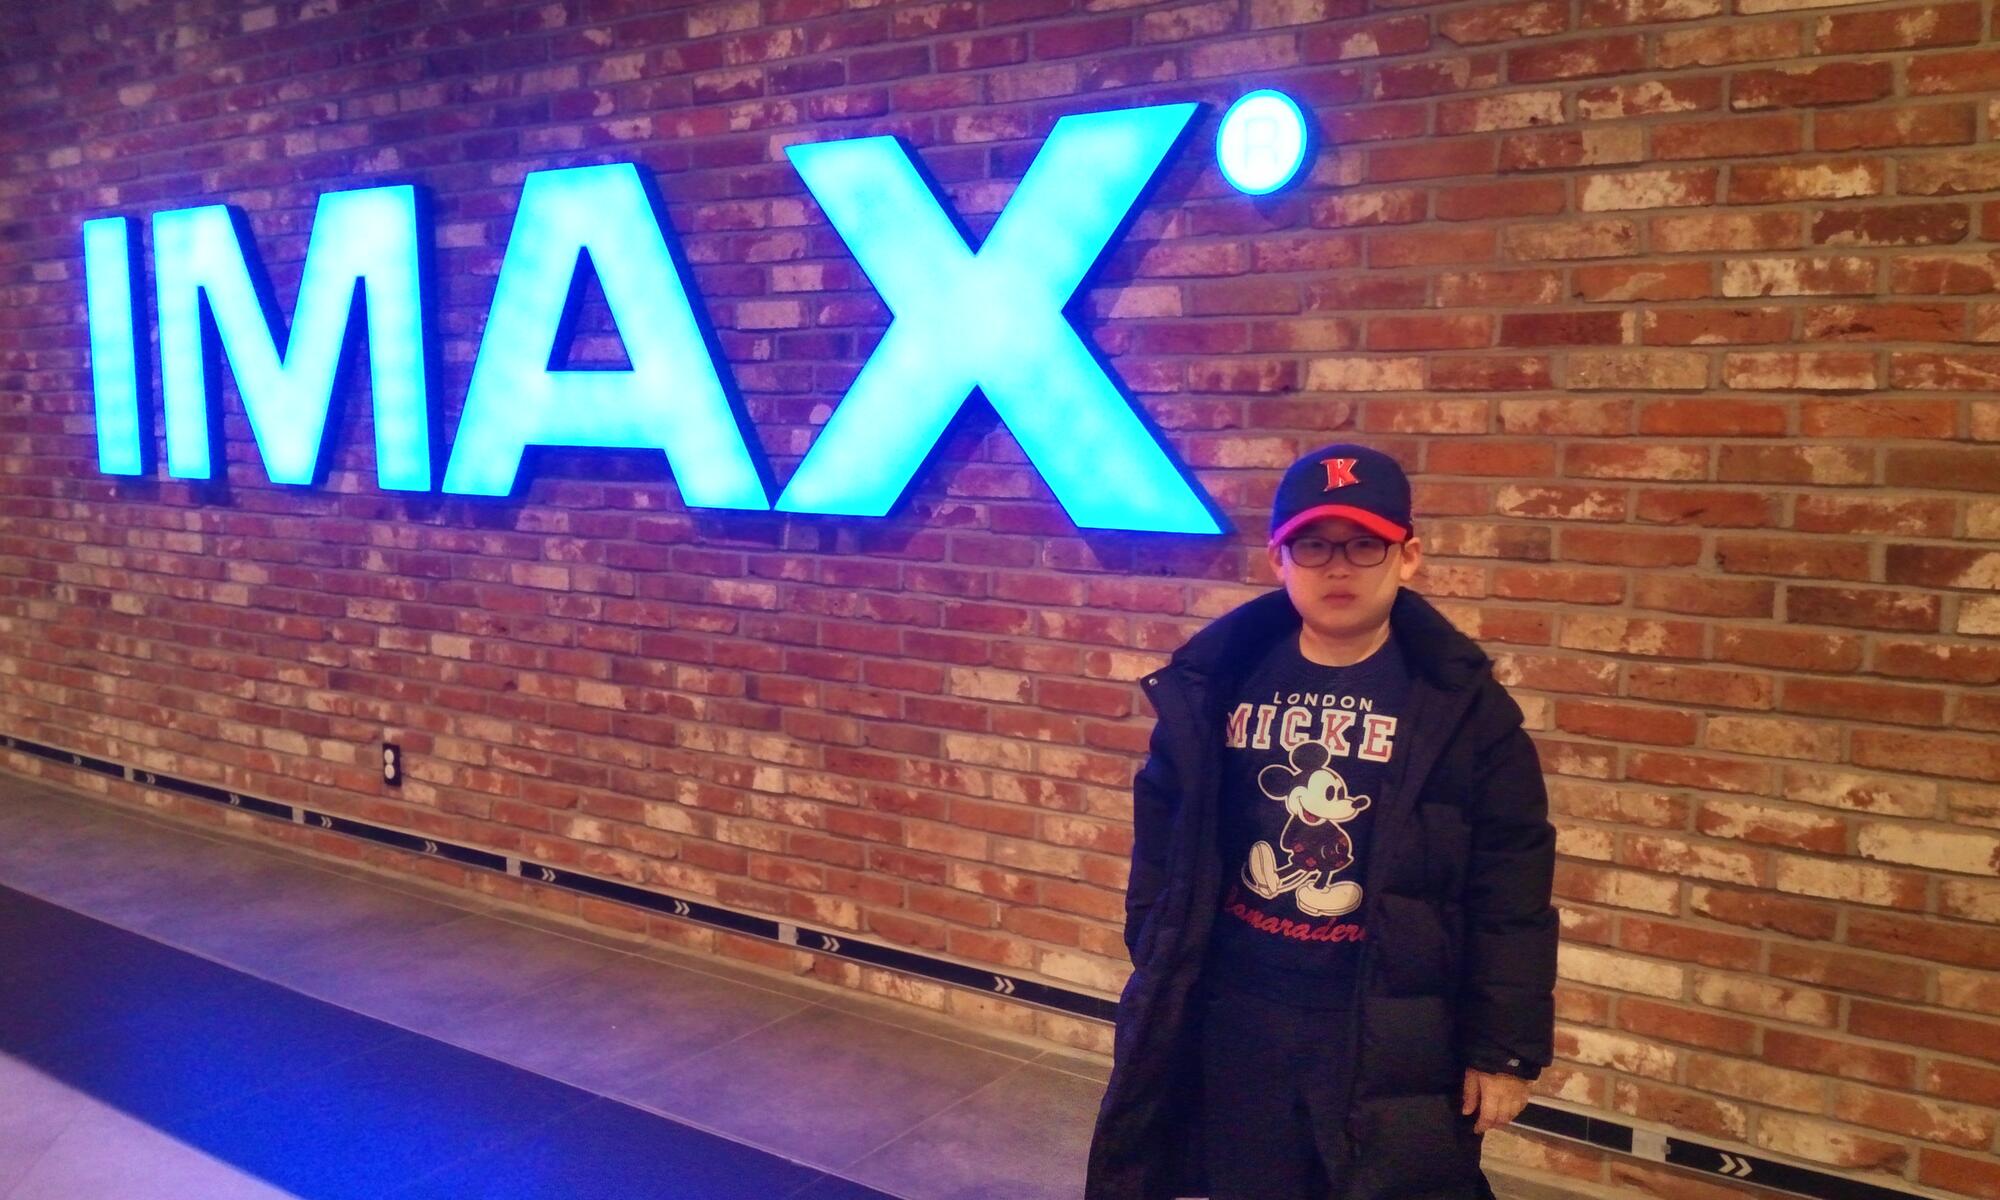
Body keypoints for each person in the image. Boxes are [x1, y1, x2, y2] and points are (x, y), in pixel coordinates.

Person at [1085, 442, 1558, 1200]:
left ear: (1408, 557)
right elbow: (1163, 834)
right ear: (1279, 559)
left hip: (1388, 1021)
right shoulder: (1217, 682)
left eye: (1364, 544)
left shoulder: (1464, 710)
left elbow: (1513, 885)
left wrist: (1504, 1047)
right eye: (1313, 545)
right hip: (1240, 1007)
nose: (1338, 567)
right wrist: (1155, 944)